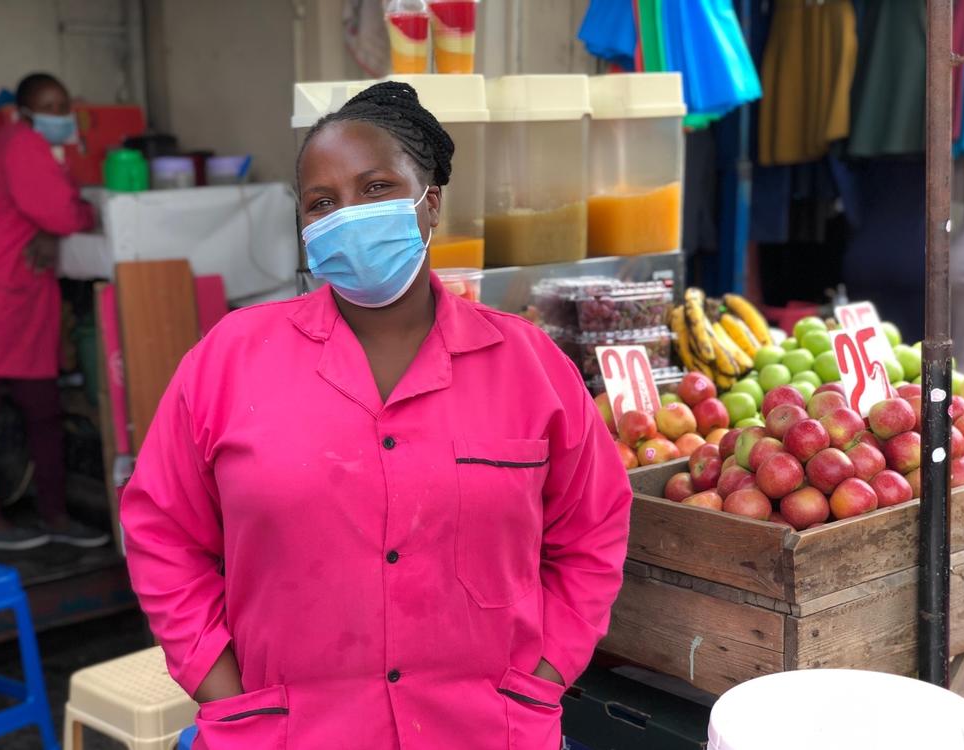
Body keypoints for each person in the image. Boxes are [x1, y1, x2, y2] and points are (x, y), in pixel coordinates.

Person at [121, 82, 632, 749]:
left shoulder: (529, 365)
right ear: (304, 227)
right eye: (322, 202)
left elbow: (592, 532)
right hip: (290, 735)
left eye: (376, 188)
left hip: (487, 731)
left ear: (431, 204)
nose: (349, 215)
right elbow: (162, 534)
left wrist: (541, 677)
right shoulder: (228, 360)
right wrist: (226, 690)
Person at [0, 72, 110, 550]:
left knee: (35, 407)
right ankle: (37, 517)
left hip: (13, 290)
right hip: (7, 295)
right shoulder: (22, 145)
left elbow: (46, 211)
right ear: (25, 111)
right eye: (51, 106)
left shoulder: (16, 142)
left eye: (65, 106)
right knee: (38, 409)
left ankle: (42, 515)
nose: (62, 115)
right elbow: (61, 212)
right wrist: (73, 217)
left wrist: (51, 225)